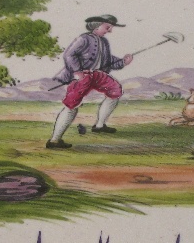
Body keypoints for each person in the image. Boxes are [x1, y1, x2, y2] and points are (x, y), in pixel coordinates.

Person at [46, 15, 133, 149]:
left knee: (115, 91)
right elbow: (69, 55)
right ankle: (54, 140)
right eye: (107, 27)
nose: (110, 30)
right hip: (82, 76)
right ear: (96, 25)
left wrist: (123, 62)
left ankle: (99, 126)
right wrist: (77, 72)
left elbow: (108, 61)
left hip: (98, 75)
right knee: (71, 105)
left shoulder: (104, 42)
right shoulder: (83, 39)